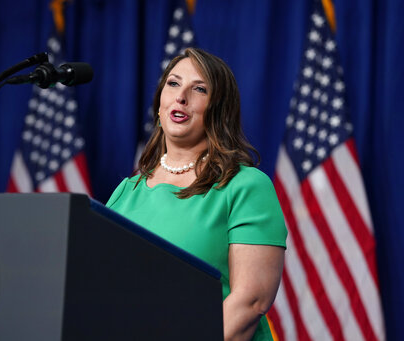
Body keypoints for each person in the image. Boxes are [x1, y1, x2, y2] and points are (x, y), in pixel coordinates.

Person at [106, 47, 287, 341]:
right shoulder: (127, 192)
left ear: (219, 107)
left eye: (199, 89)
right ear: (160, 100)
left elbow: (250, 303)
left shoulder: (245, 186)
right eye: (173, 84)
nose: (181, 97)